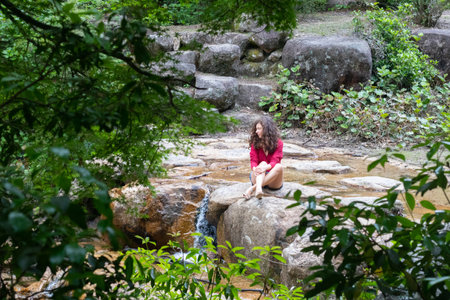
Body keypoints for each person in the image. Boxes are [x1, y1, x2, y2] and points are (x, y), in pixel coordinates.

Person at [243, 116, 283, 199]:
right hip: (258, 176)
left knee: (279, 166)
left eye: (259, 129)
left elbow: (275, 161)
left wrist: (265, 168)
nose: (256, 131)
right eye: (256, 129)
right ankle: (258, 189)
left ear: (266, 129)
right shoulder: (255, 143)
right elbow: (253, 161)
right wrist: (254, 169)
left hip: (273, 179)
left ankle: (253, 188)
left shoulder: (278, 143)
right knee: (263, 163)